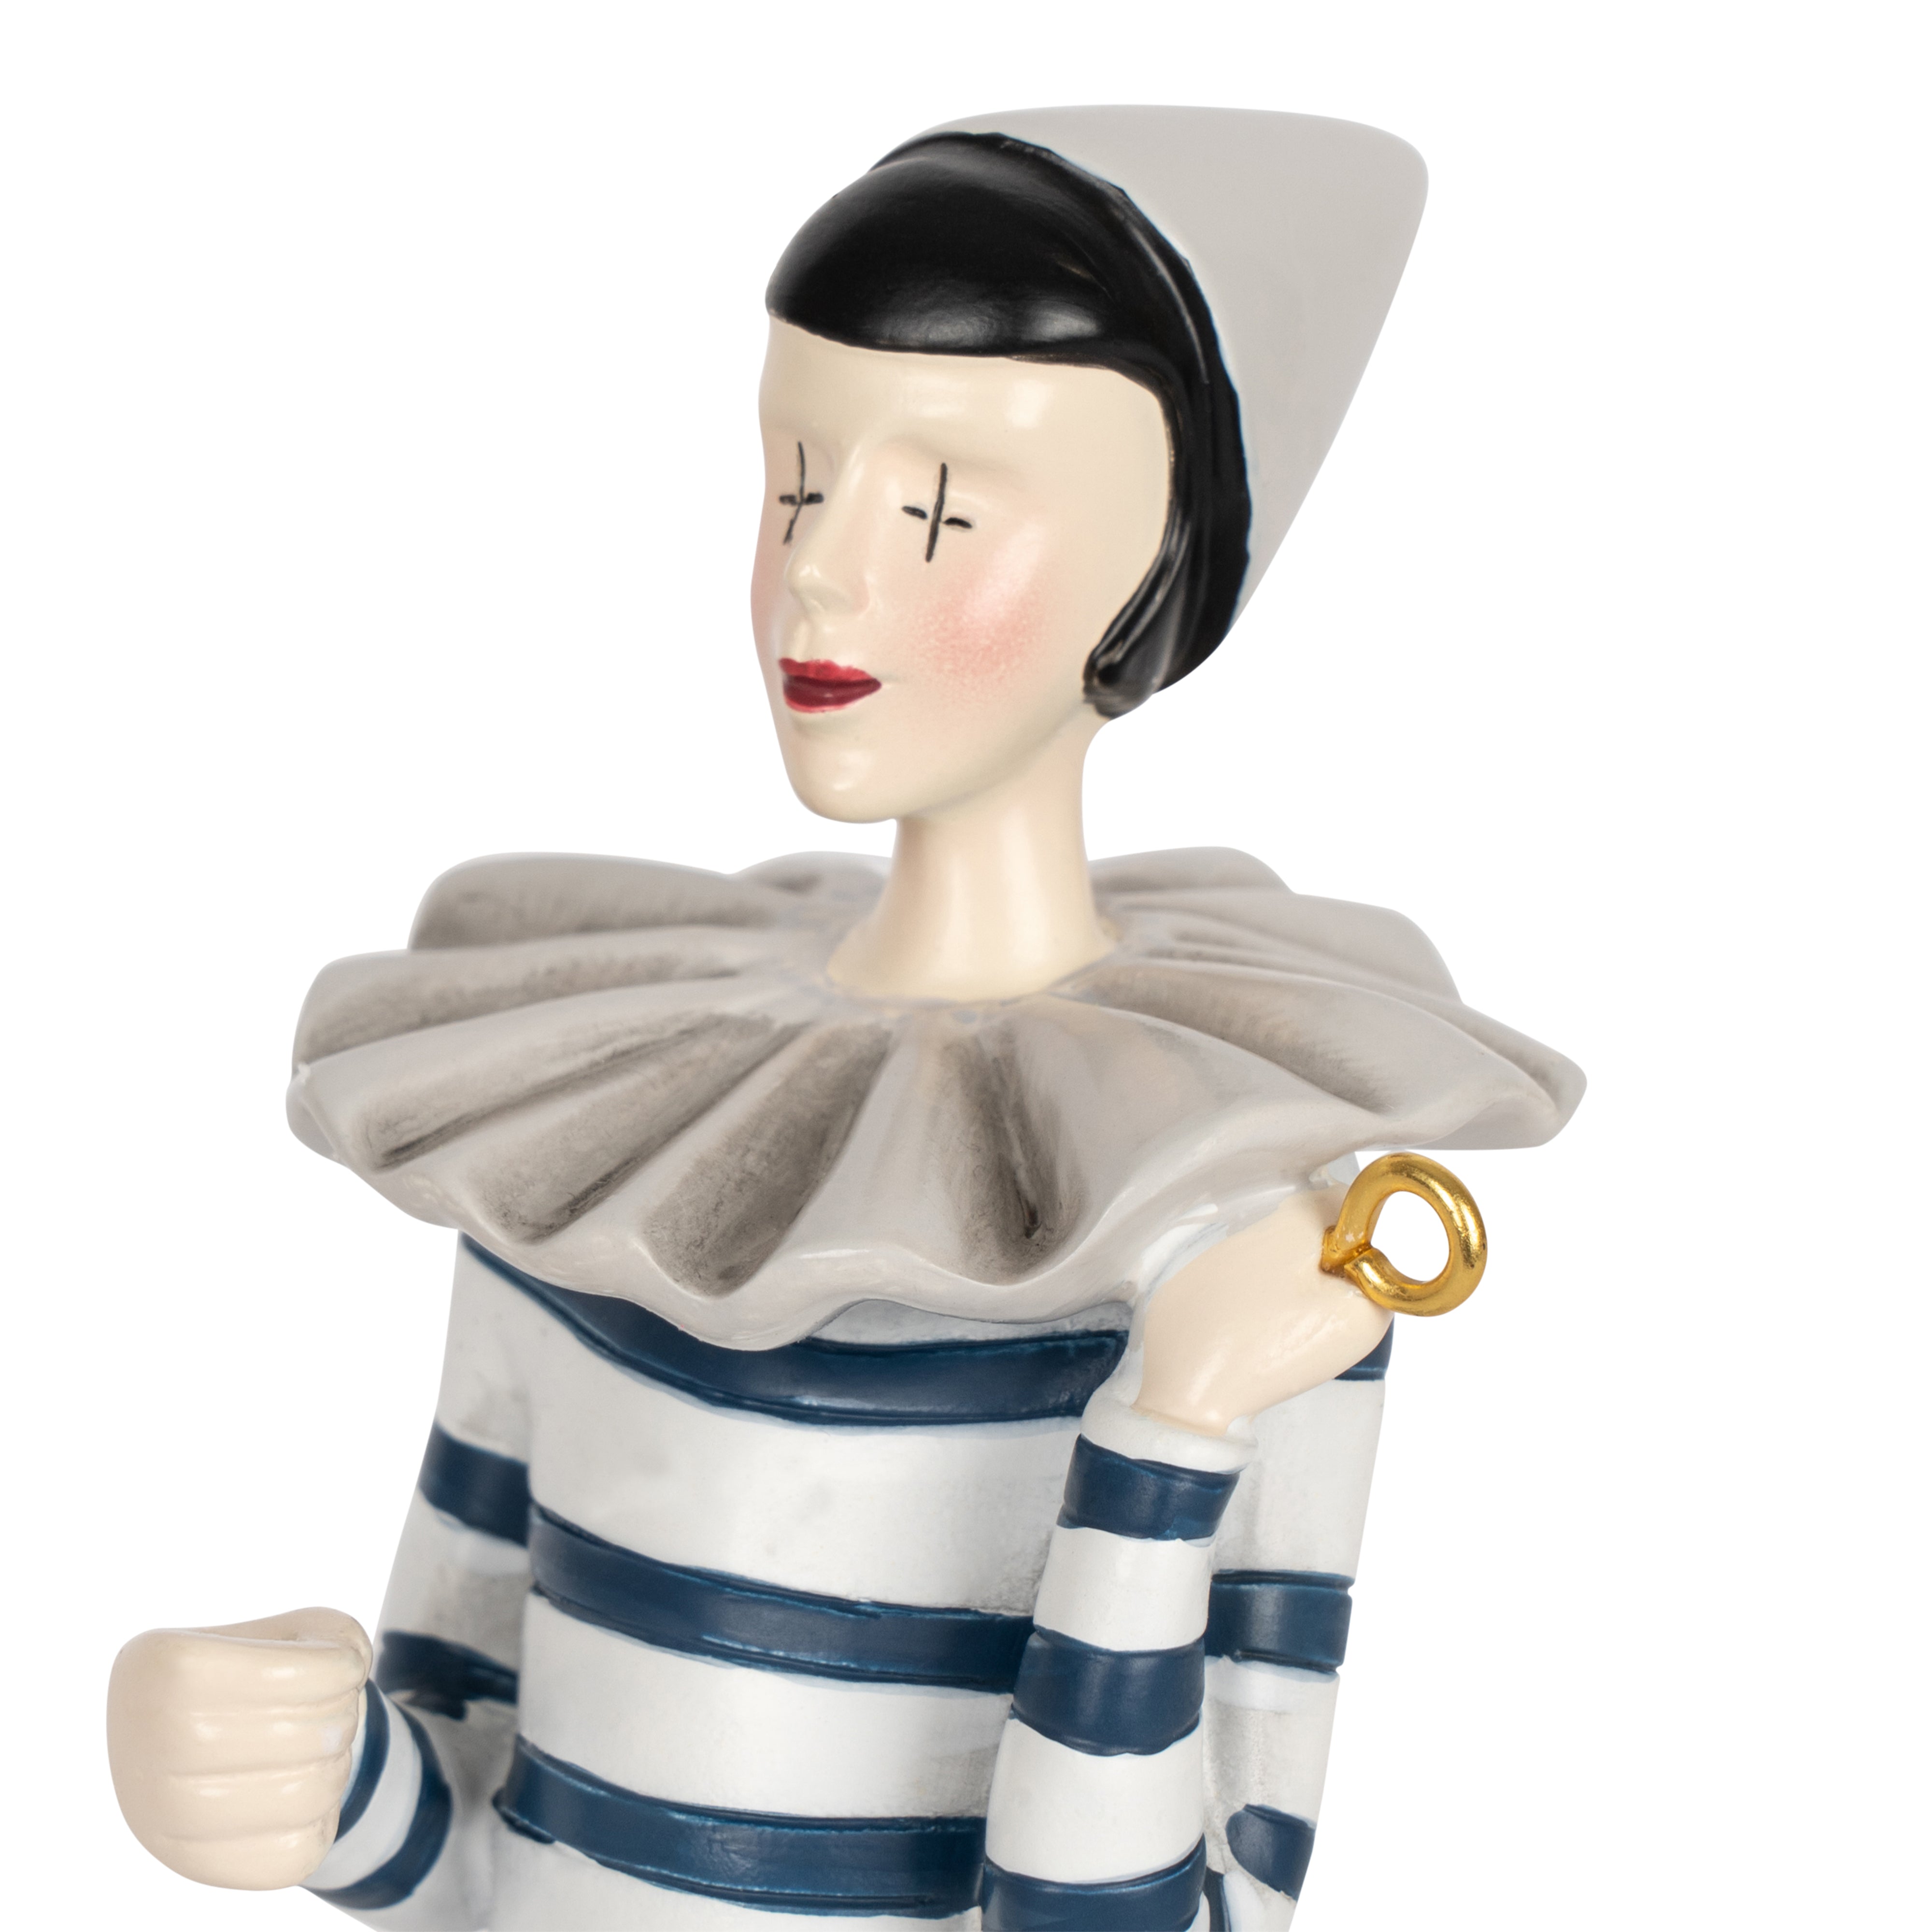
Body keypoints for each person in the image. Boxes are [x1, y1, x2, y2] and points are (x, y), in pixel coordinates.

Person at [107, 109, 1583, 1931]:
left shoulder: (1234, 1224)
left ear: (1156, 572)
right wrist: (309, 1782)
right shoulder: (598, 1134)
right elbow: (476, 1839)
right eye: (800, 482)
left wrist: (1173, 1430)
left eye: (943, 512)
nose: (820, 570)